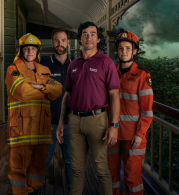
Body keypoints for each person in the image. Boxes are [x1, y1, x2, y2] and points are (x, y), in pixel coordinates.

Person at [56, 21, 120, 195]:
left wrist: (114, 125)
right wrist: (62, 122)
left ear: (98, 39)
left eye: (92, 34)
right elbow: (67, 95)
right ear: (80, 39)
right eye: (85, 34)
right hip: (74, 121)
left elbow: (114, 95)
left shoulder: (106, 63)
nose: (89, 37)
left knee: (101, 169)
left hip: (97, 120)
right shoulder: (73, 65)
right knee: (76, 170)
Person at [5, 33, 62, 195]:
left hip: (40, 129)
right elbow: (22, 91)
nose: (30, 51)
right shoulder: (13, 70)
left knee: (37, 168)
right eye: (26, 48)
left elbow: (57, 89)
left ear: (38, 51)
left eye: (33, 48)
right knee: (18, 169)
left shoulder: (44, 70)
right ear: (21, 51)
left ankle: (32, 191)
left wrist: (38, 87)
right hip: (21, 130)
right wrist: (45, 88)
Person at [107, 30, 153, 195]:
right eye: (121, 48)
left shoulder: (142, 75)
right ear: (117, 50)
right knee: (110, 176)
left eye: (128, 48)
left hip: (134, 136)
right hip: (113, 133)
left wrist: (140, 134)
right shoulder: (111, 72)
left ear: (134, 51)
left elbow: (147, 111)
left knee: (132, 179)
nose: (124, 52)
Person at [38, 27, 72, 195]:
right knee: (43, 161)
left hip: (69, 124)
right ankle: (39, 192)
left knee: (70, 162)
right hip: (48, 124)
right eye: (57, 40)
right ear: (52, 43)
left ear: (68, 42)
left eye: (63, 40)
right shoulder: (43, 64)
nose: (60, 43)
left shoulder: (75, 66)